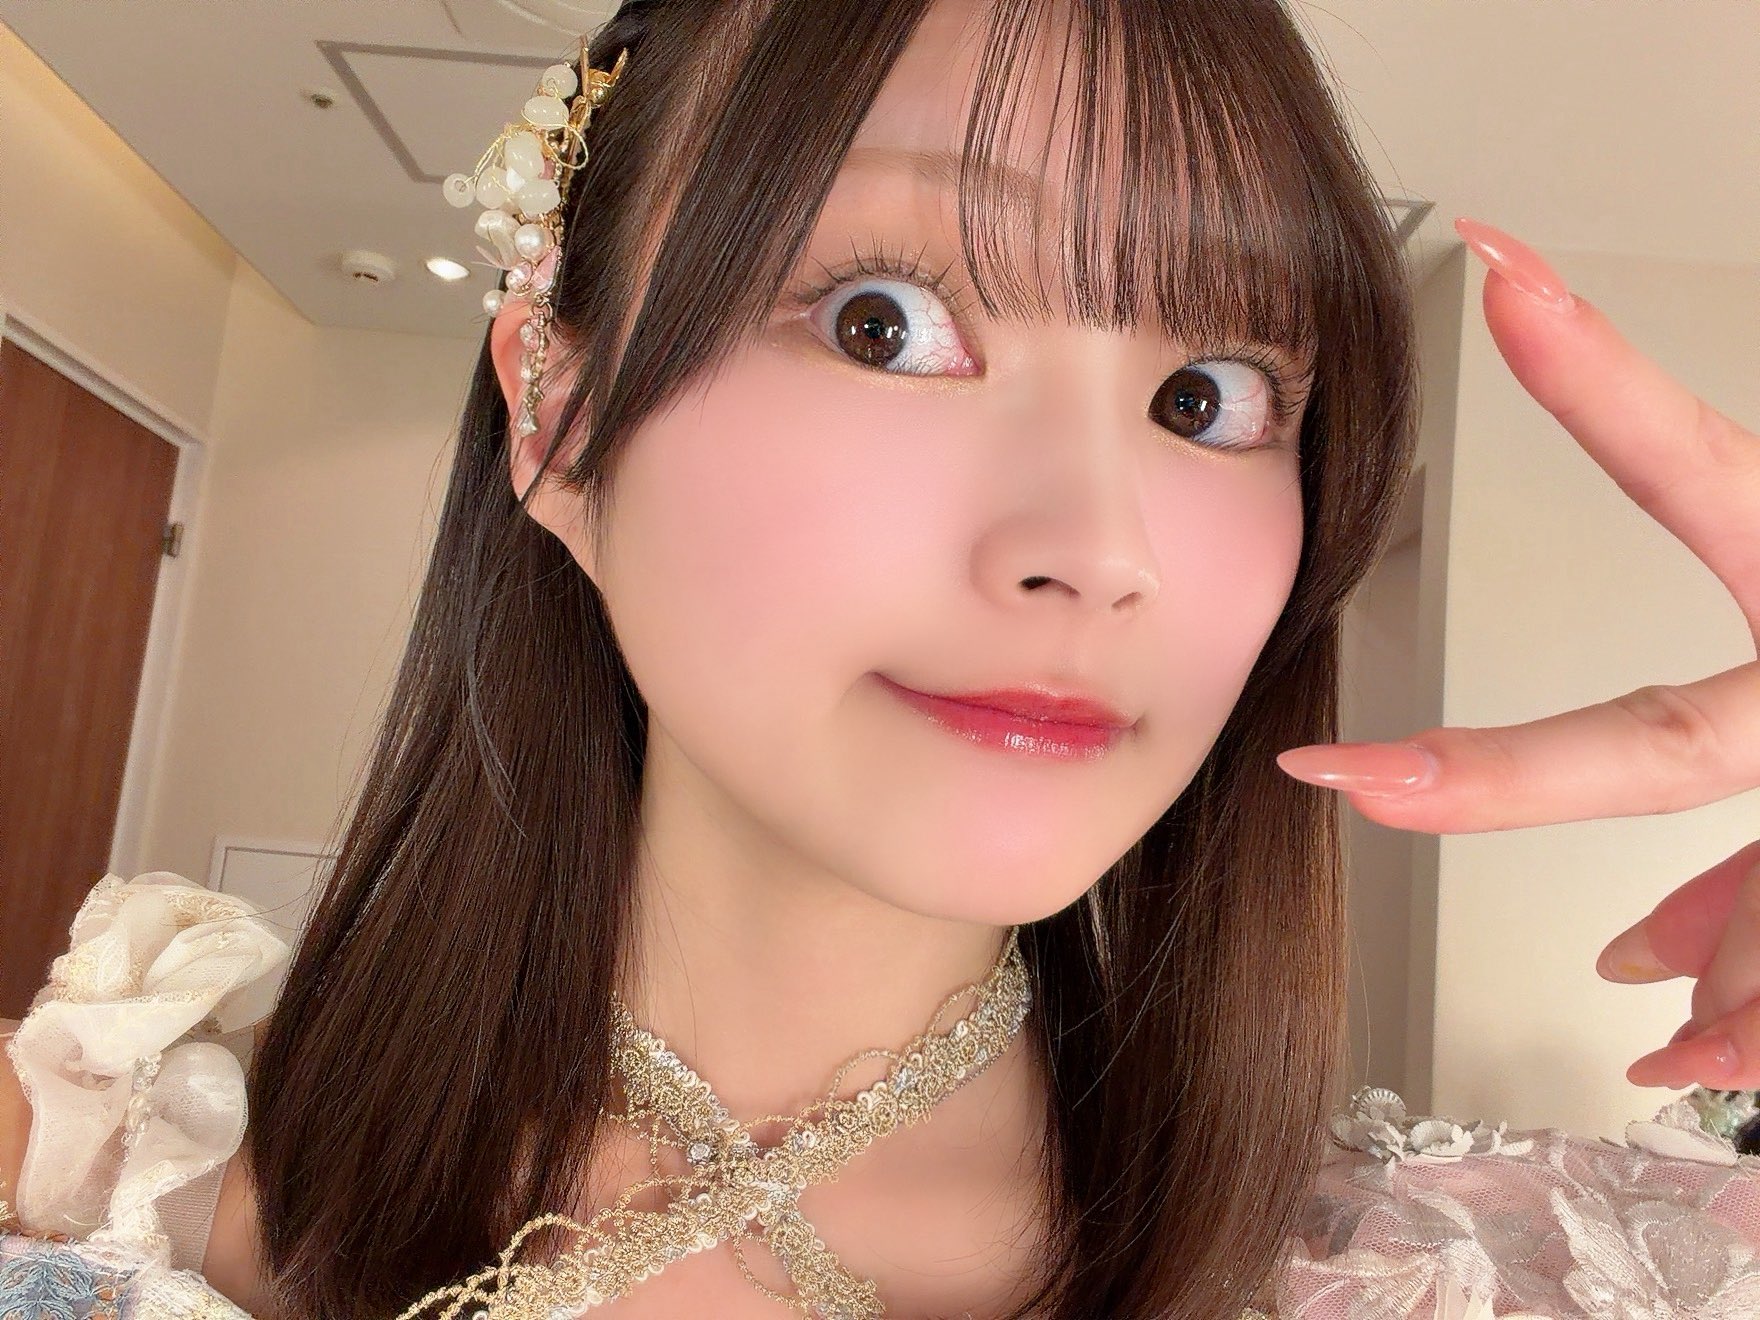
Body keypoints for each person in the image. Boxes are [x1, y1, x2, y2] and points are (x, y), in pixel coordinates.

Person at [3, 0, 1757, 1316]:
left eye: (1204, 396)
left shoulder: (1493, 1276)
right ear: (559, 413)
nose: (1100, 547)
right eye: (885, 323)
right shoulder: (73, 1169)